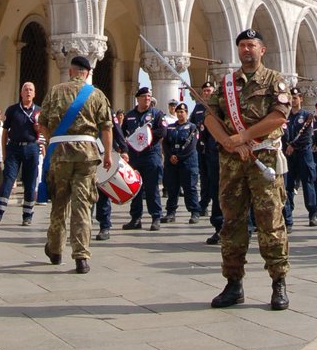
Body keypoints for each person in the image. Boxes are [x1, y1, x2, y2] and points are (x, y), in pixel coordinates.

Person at [204, 28, 291, 311]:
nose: (246, 50)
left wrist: (243, 137)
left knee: (270, 222)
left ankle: (278, 282)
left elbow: (278, 117)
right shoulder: (227, 83)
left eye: (251, 45)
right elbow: (210, 118)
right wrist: (228, 143)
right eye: (242, 45)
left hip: (263, 158)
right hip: (232, 163)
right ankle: (233, 284)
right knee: (232, 223)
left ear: (262, 50)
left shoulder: (275, 81)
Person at [39, 55, 112, 273]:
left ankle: (55, 249)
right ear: (87, 73)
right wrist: (108, 154)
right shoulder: (97, 95)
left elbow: (41, 123)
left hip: (60, 154)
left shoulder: (55, 91)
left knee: (59, 202)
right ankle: (81, 256)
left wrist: (53, 141)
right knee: (83, 205)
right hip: (87, 156)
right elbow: (106, 127)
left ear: (71, 71)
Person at [0, 82, 42, 227]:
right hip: (14, 147)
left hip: (31, 148)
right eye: (25, 89)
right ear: (21, 93)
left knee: (30, 182)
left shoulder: (39, 111)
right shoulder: (13, 110)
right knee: (8, 179)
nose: (28, 92)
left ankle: (27, 215)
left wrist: (39, 129)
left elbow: (45, 131)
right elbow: (5, 132)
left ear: (34, 93)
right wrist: (4, 152)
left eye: (31, 90)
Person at [121, 86, 167, 231]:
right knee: (135, 188)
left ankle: (156, 217)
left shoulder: (157, 114)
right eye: (144, 96)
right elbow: (122, 134)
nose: (147, 99)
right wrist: (124, 149)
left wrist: (145, 133)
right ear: (138, 98)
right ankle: (135, 218)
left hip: (151, 154)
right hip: (134, 156)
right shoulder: (129, 115)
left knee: (152, 187)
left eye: (149, 96)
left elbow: (162, 131)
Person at [192, 79, 223, 245]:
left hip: (229, 151)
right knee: (214, 186)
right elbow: (198, 129)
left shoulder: (223, 109)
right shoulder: (201, 109)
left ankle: (245, 227)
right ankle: (219, 227)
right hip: (211, 153)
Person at [161, 103, 202, 223]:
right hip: (172, 162)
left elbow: (191, 145)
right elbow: (165, 143)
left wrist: (179, 156)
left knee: (190, 188)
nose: (180, 114)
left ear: (186, 113)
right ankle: (170, 212)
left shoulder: (192, 127)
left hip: (187, 162)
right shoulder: (170, 127)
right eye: (178, 112)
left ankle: (194, 212)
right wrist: (170, 156)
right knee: (172, 188)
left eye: (182, 111)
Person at [284, 88, 317, 227]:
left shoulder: (307, 116)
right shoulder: (285, 117)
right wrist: (287, 146)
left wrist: (293, 145)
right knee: (288, 185)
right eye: (291, 98)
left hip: (303, 153)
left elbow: (306, 136)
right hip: (289, 154)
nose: (293, 100)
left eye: (295, 97)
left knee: (307, 183)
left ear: (301, 99)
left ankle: (312, 213)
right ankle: (288, 216)